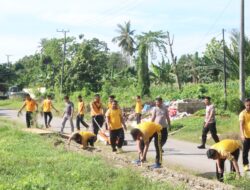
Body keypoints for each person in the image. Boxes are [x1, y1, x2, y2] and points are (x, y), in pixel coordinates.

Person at [239, 98, 250, 171]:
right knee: (245, 152)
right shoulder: (242, 113)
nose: (249, 106)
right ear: (245, 105)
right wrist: (242, 134)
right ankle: (245, 165)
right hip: (246, 136)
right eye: (247, 105)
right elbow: (241, 125)